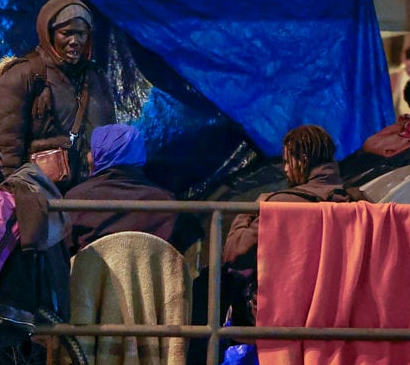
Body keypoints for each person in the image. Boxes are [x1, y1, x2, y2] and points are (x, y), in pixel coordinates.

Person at [0, 0, 115, 182]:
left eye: (81, 34)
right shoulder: (24, 74)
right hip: (39, 193)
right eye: (66, 33)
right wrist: (12, 193)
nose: (75, 41)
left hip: (89, 192)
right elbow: (6, 144)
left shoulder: (96, 78)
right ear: (49, 33)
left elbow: (109, 137)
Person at [222, 124, 353, 292]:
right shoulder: (354, 200)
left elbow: (235, 254)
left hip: (286, 303)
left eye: (287, 161)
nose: (285, 170)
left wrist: (251, 209)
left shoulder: (283, 204)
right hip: (337, 300)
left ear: (303, 160)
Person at [62, 124, 194, 253]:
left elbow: (63, 252)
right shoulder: (167, 204)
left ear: (100, 154)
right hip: (150, 275)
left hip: (91, 275)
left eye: (91, 150)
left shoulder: (76, 200)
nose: (89, 156)